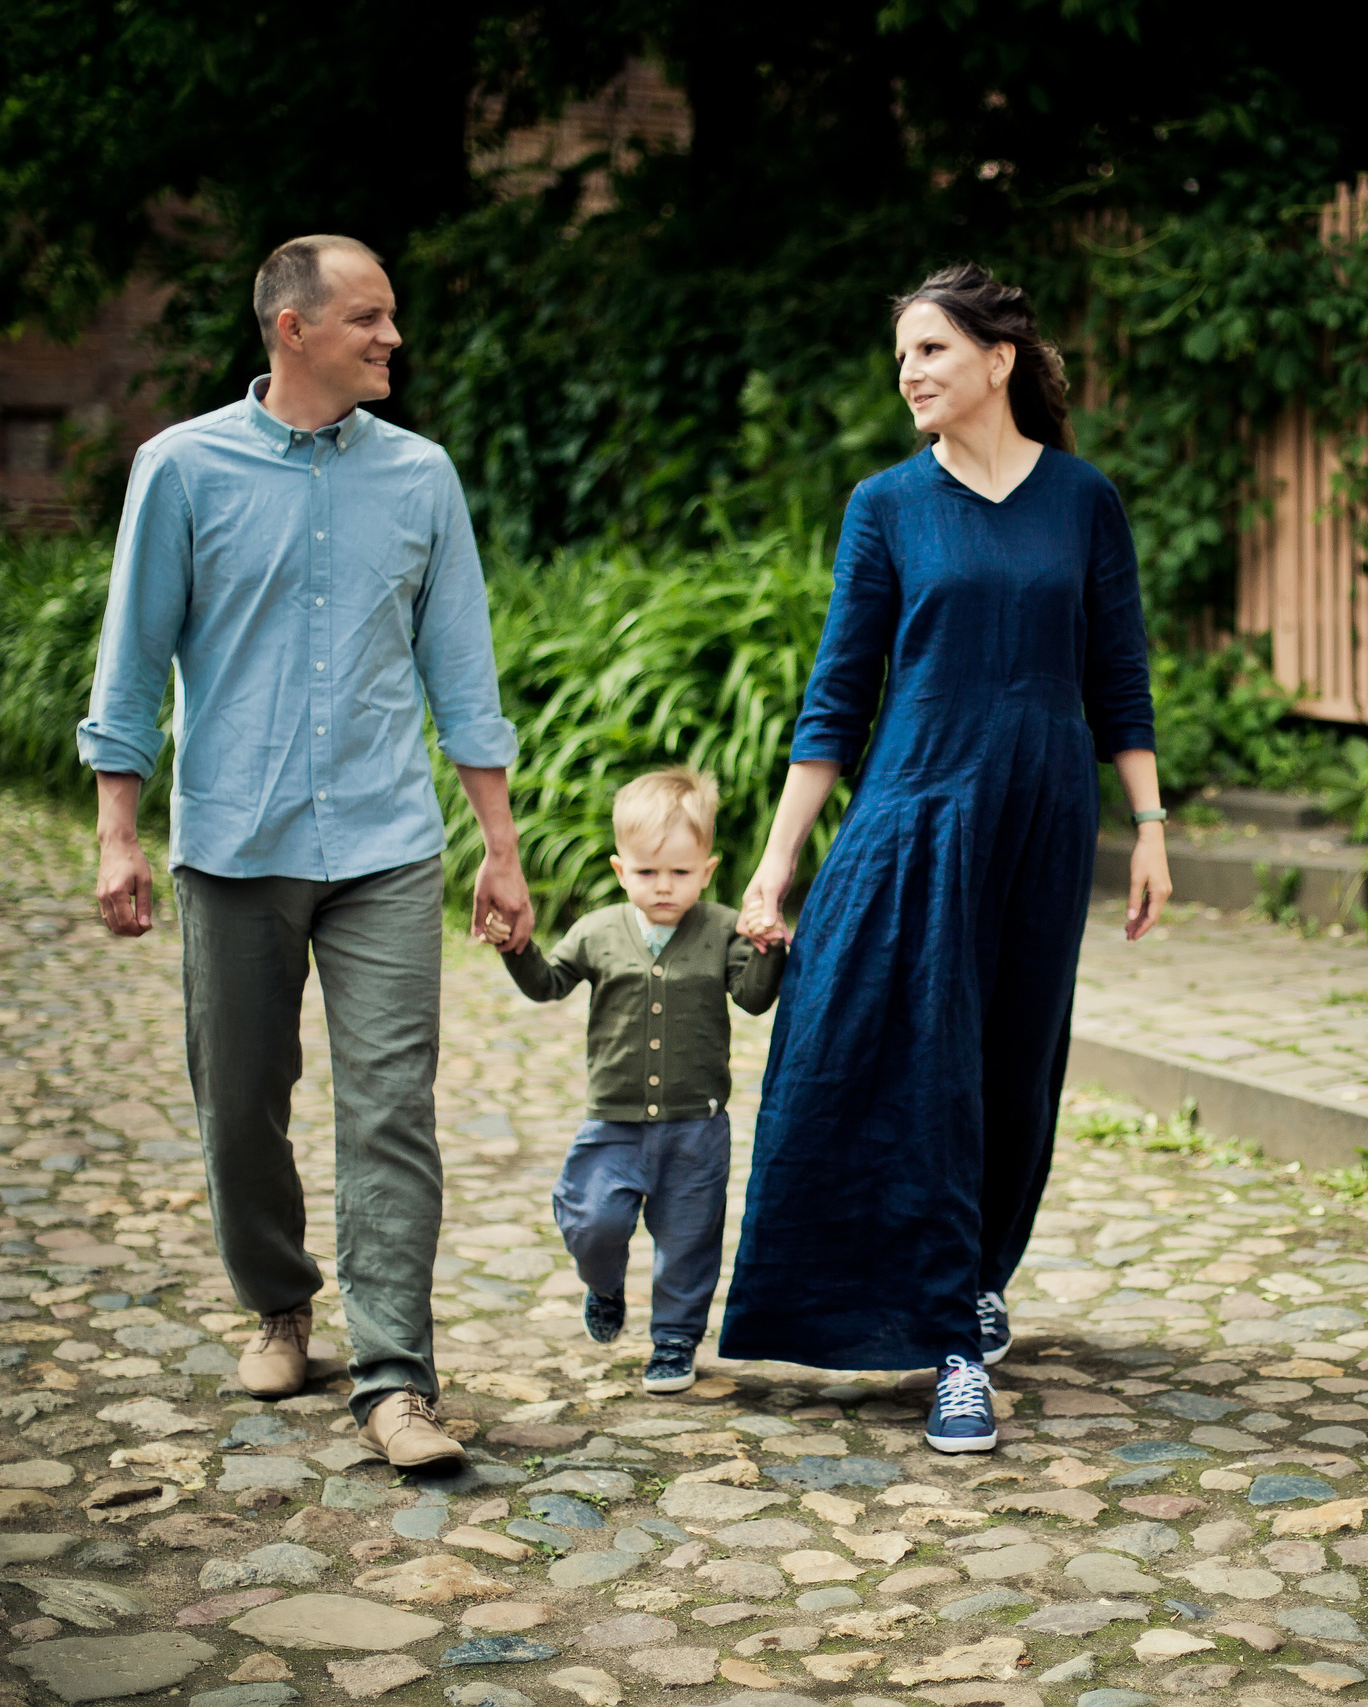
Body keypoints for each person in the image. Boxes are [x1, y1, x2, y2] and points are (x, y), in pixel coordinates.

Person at [78, 233, 531, 1472]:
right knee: (240, 1106)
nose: (393, 338)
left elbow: (464, 673)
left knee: (392, 1111)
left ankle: (395, 1384)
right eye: (370, 319)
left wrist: (499, 847)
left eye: (393, 318)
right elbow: (129, 663)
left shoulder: (422, 475)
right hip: (234, 842)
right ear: (294, 329)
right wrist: (119, 832)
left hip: (387, 843)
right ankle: (280, 1301)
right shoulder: (179, 470)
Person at [720, 262, 1172, 1454]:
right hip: (916, 816)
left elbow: (1116, 676)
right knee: (908, 1071)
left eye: (930, 351)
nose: (910, 374)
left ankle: (977, 1275)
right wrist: (776, 869)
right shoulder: (884, 506)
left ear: (997, 359)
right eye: (904, 356)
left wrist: (1151, 831)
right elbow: (836, 700)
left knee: (1013, 1072)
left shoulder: (1082, 501)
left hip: (1041, 826)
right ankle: (946, 1346)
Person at [489, 768, 784, 1395]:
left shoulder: (722, 927)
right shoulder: (598, 932)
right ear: (622, 870)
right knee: (591, 1220)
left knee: (688, 1239)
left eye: (680, 872)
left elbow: (754, 1000)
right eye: (648, 873)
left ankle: (675, 1339)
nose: (664, 887)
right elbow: (548, 984)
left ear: (706, 870)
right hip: (613, 1121)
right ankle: (604, 1283)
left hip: (696, 1127)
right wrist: (517, 949)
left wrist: (767, 951)